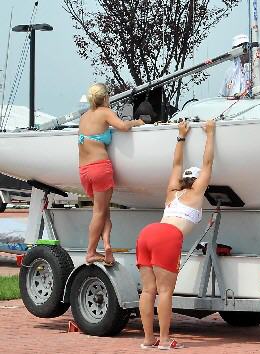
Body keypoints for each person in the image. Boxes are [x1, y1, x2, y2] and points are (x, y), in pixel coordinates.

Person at [136, 119, 215, 350]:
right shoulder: (198, 192)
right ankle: (164, 341)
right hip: (168, 236)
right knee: (165, 291)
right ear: (198, 181)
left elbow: (176, 163)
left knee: (148, 290)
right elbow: (208, 162)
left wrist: (181, 136)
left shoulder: (172, 190)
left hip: (148, 232)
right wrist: (210, 133)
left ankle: (148, 339)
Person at [78, 83, 144, 265]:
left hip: (84, 170)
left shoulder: (84, 117)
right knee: (99, 211)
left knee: (103, 211)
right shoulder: (105, 112)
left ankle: (107, 245)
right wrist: (137, 122)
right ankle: (91, 252)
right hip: (100, 168)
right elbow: (122, 126)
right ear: (105, 97)